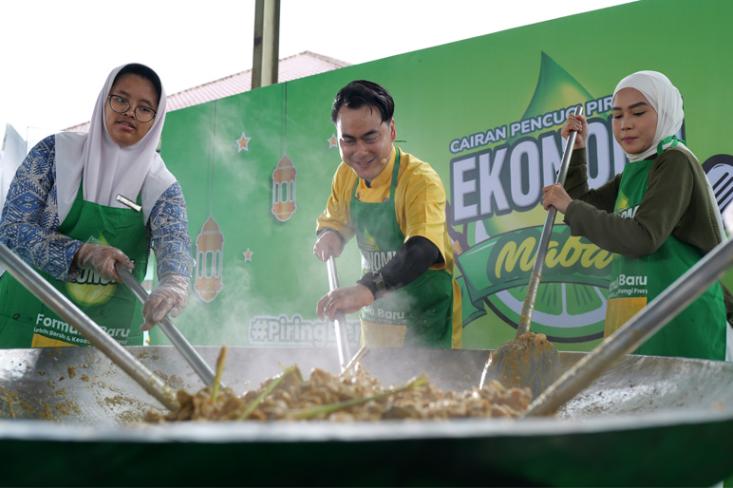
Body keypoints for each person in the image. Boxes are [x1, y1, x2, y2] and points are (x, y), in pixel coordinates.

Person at [0, 63, 193, 348]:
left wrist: (174, 285)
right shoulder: (54, 154)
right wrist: (81, 253)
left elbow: (174, 243)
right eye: (121, 99)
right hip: (27, 324)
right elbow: (11, 231)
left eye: (144, 108)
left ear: (156, 119)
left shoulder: (161, 186)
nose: (129, 112)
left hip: (108, 344)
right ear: (104, 101)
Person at [542, 70, 728, 360]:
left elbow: (643, 237)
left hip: (680, 320)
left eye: (638, 113)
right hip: (637, 317)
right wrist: (578, 152)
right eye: (617, 116)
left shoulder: (674, 161)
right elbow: (582, 205)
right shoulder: (635, 170)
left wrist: (570, 206)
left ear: (665, 112)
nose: (625, 125)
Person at [313, 80, 461, 349]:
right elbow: (335, 220)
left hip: (425, 324)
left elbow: (422, 248)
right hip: (376, 323)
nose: (360, 152)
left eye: (370, 138)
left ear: (391, 130)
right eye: (348, 141)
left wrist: (367, 289)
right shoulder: (346, 175)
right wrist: (330, 235)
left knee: (420, 390)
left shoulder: (419, 180)